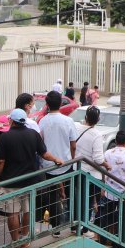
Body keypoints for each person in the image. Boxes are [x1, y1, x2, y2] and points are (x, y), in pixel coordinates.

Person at [0, 108, 64, 248]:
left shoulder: (6, 137)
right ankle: (25, 240)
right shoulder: (33, 134)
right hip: (30, 181)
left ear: (11, 120)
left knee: (12, 213)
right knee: (27, 211)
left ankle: (15, 244)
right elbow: (44, 154)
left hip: (10, 182)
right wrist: (56, 159)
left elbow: (0, 161)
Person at [38, 91, 79, 234]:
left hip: (48, 166)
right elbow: (73, 145)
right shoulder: (68, 121)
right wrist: (71, 160)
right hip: (66, 165)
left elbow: (41, 144)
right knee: (71, 194)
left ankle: (56, 228)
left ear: (47, 104)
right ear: (61, 104)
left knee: (52, 196)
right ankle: (74, 225)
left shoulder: (42, 121)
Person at [74, 106, 109, 238]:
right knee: (89, 200)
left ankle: (75, 225)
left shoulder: (77, 128)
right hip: (91, 174)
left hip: (77, 169)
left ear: (86, 117)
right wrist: (107, 165)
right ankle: (85, 228)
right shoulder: (96, 135)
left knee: (77, 198)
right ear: (98, 119)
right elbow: (98, 159)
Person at [101, 130, 125, 233]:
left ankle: (104, 239)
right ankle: (118, 245)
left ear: (115, 140)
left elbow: (102, 170)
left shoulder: (108, 153)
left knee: (108, 217)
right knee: (122, 220)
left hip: (109, 192)